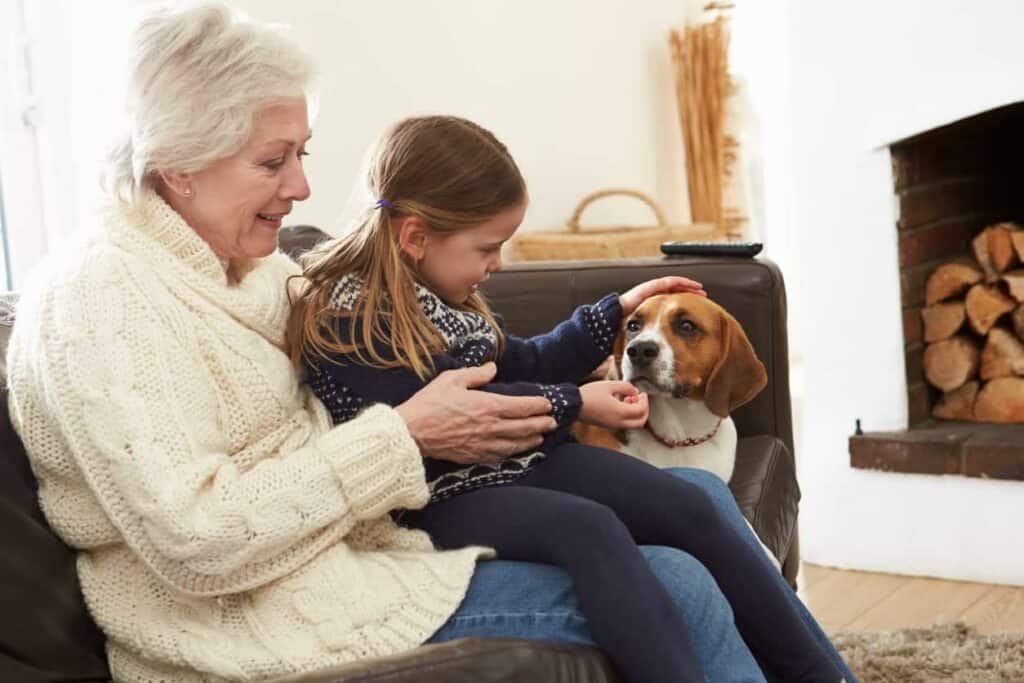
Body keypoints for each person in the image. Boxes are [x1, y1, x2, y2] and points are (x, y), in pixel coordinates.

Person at [4, 2, 855, 682]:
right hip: (248, 623)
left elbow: (438, 349)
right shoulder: (99, 307)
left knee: (692, 528)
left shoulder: (246, 266)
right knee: (677, 582)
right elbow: (196, 543)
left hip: (364, 548)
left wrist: (589, 327)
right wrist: (406, 436)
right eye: (273, 163)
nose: (301, 187)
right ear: (177, 162)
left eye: (302, 154)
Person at [287, 115, 847, 683]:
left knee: (693, 506)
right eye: (488, 247)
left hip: (508, 464)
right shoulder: (350, 319)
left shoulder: (442, 296)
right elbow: (462, 419)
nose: (497, 264)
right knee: (588, 529)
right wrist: (575, 404)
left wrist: (613, 314)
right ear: (415, 238)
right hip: (433, 496)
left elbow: (521, 362)